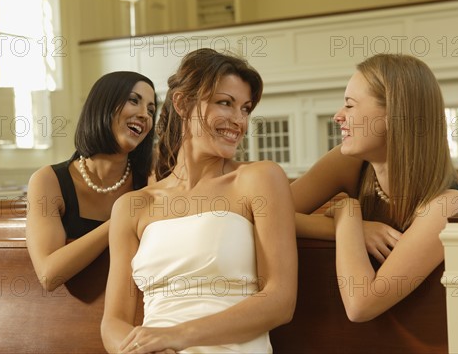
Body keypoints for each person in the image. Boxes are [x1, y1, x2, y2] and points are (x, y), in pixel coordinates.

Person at [101, 48, 298, 354]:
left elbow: (279, 301)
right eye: (225, 103)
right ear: (182, 102)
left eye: (245, 109)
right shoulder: (132, 206)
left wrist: (176, 337)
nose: (238, 120)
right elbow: (113, 322)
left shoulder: (259, 179)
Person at [291, 53, 458, 322]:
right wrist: (357, 227)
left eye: (350, 106)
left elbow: (361, 305)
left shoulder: (448, 205)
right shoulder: (347, 162)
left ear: (393, 117)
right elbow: (264, 214)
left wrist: (347, 213)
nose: (338, 116)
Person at [26, 71, 157, 292]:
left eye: (151, 110)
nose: (144, 114)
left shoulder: (154, 170)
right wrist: (123, 218)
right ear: (102, 106)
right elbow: (49, 274)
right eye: (133, 101)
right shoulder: (48, 181)